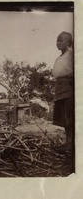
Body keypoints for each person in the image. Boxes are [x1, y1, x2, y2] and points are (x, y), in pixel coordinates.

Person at [52, 31, 74, 170]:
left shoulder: (71, 54)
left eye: (61, 40)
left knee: (70, 120)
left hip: (69, 89)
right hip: (60, 90)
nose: (58, 43)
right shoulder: (59, 58)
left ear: (69, 42)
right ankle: (69, 144)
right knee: (65, 122)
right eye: (57, 40)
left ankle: (73, 151)